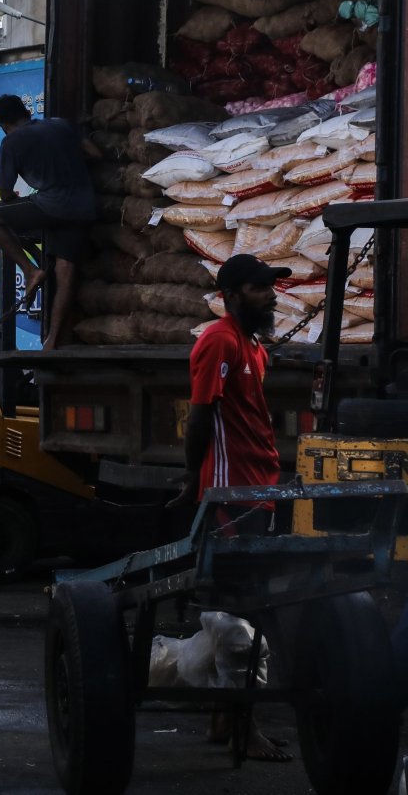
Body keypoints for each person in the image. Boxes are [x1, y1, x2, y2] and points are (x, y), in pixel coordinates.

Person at [172, 253, 292, 763]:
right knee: (239, 610)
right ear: (234, 294)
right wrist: (192, 482)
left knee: (242, 604)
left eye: (271, 287)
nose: (271, 294)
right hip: (230, 493)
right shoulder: (217, 341)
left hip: (257, 489)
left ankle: (226, 718)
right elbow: (200, 418)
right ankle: (242, 725)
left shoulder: (250, 346)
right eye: (261, 287)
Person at [0, 94, 97, 351]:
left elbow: (7, 194)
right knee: (65, 271)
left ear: (2, 124)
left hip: (51, 206)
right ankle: (52, 338)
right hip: (83, 207)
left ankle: (30, 270)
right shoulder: (61, 125)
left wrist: (17, 201)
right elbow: (94, 152)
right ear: (26, 112)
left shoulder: (11, 142)